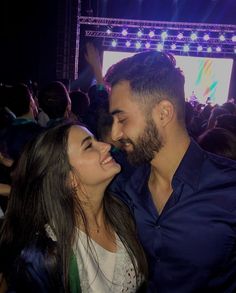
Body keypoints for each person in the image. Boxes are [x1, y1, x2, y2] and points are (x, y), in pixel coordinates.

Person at [104, 51, 236, 292]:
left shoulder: (229, 189)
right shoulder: (121, 182)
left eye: (122, 119)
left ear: (164, 113)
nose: (115, 134)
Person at [0, 122, 147, 293]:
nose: (107, 146)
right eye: (88, 146)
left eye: (96, 139)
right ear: (69, 179)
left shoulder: (123, 211)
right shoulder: (47, 255)